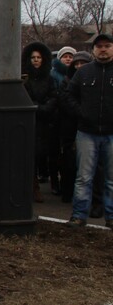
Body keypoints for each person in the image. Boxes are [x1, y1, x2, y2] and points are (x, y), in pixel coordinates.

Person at [63, 33, 113, 229]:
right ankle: (78, 215)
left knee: (111, 179)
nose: (103, 49)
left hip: (111, 133)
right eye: (99, 46)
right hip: (87, 133)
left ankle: (111, 216)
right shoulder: (84, 72)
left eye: (107, 46)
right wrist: (81, 113)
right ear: (93, 50)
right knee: (84, 177)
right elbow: (68, 95)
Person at [21, 42, 59, 200]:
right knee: (30, 156)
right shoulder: (25, 79)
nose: (36, 60)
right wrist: (36, 107)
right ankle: (32, 186)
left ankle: (51, 184)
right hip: (29, 122)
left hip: (45, 122)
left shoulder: (49, 79)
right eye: (33, 58)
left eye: (39, 57)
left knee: (44, 155)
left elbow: (54, 97)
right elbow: (24, 97)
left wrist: (44, 108)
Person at [58, 50, 92, 204]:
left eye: (82, 63)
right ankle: (68, 193)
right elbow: (65, 101)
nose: (79, 66)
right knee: (69, 163)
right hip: (70, 126)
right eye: (76, 64)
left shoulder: (94, 80)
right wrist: (81, 112)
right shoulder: (66, 82)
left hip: (89, 127)